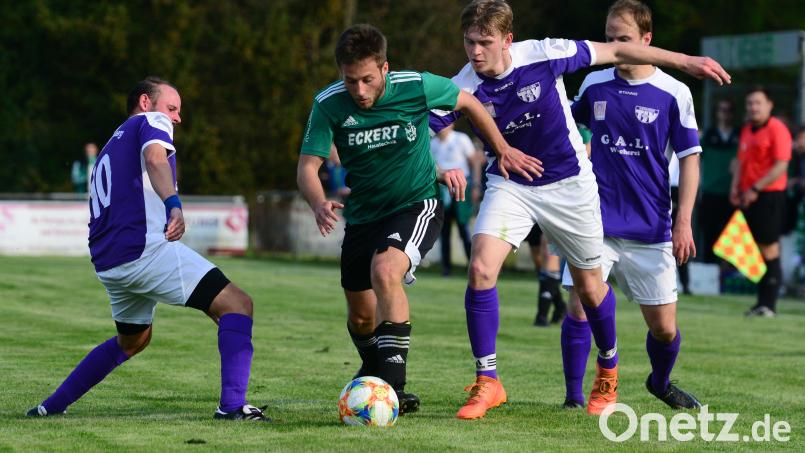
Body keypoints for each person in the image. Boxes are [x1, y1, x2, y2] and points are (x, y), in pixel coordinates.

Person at [430, 0, 729, 418]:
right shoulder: (461, 84)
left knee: (590, 290)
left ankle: (607, 370)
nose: (475, 52)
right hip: (510, 184)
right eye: (469, 42)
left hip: (570, 186)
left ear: (507, 41)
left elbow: (620, 52)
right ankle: (488, 381)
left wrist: (685, 61)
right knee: (480, 269)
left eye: (485, 42)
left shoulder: (545, 53)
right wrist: (438, 168)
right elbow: (415, 131)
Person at [296, 24, 540, 415]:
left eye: (368, 80)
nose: (359, 90)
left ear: (385, 69)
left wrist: (503, 149)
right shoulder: (328, 103)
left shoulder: (417, 85)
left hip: (417, 203)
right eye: (350, 81)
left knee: (386, 270)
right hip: (362, 216)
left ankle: (392, 390)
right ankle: (374, 366)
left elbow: (470, 103)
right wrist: (318, 201)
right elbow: (308, 167)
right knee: (361, 319)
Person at [27, 77, 267, 421]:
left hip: (110, 263)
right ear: (145, 102)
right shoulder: (152, 121)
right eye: (172, 108)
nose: (176, 118)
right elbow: (156, 159)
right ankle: (232, 408)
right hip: (144, 251)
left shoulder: (112, 144)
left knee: (133, 341)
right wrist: (174, 204)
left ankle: (50, 407)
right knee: (238, 305)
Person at [562, 0, 702, 412]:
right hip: (594, 219)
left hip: (650, 225)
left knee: (664, 329)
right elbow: (568, 127)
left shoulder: (675, 92)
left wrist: (684, 221)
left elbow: (690, 157)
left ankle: (659, 381)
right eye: (609, 38)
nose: (614, 46)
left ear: (646, 40)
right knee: (580, 304)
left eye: (623, 39)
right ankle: (573, 398)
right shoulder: (595, 84)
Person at [731, 86, 792, 317]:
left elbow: (781, 165)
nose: (753, 107)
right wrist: (734, 187)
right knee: (753, 250)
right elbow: (739, 162)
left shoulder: (778, 129)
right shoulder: (747, 130)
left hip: (769, 196)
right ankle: (761, 303)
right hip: (748, 196)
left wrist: (756, 187)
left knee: (769, 249)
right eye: (749, 103)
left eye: (758, 103)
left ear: (769, 105)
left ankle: (769, 305)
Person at [430, 124, 480, 275]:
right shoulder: (433, 143)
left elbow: (474, 162)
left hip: (461, 186)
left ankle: (472, 265)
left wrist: (476, 185)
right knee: (444, 230)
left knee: (463, 227)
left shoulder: (461, 139)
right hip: (442, 188)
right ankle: (446, 268)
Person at [700, 100, 740, 264]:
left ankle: (729, 271)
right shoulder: (709, 135)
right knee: (709, 232)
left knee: (732, 235)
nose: (725, 113)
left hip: (732, 193)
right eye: (722, 110)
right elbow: (695, 161)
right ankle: (710, 269)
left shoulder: (740, 134)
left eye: (728, 110)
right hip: (710, 191)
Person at [528, 224, 566, 327]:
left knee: (548, 254)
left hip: (552, 211)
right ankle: (560, 307)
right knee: (539, 261)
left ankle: (542, 316)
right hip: (532, 212)